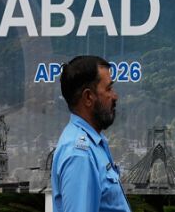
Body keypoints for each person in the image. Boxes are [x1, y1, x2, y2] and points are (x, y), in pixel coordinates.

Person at [51, 55, 131, 212]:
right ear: (88, 97)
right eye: (108, 89)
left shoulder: (93, 143)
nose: (115, 96)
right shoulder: (80, 155)